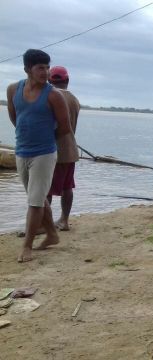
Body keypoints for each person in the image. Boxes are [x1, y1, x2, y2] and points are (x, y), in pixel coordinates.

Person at [6, 49, 71, 263]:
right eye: (40, 68)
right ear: (27, 69)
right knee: (38, 198)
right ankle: (52, 234)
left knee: (34, 202)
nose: (45, 72)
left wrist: (45, 140)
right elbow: (16, 118)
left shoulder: (53, 95)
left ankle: (27, 246)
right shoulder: (13, 90)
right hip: (22, 150)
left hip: (44, 153)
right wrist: (27, 137)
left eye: (47, 67)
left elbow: (64, 127)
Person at [47, 66, 80, 231]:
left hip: (53, 151)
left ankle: (43, 223)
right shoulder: (74, 100)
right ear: (67, 81)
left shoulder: (50, 97)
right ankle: (64, 220)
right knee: (67, 187)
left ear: (49, 80)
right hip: (70, 150)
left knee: (45, 189)